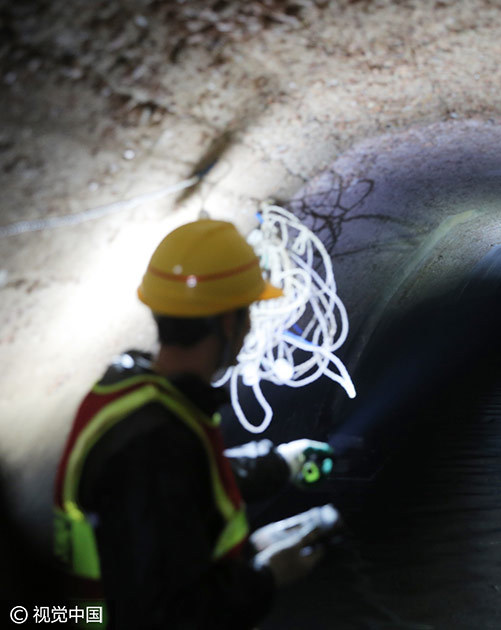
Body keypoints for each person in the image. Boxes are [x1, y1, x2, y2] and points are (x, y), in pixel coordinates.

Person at [53, 219, 335, 629]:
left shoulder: (133, 391)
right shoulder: (154, 440)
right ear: (226, 323)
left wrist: (281, 464)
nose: (251, 327)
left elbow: (184, 483)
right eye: (249, 312)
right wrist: (269, 573)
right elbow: (162, 617)